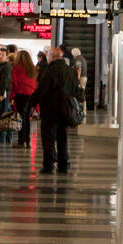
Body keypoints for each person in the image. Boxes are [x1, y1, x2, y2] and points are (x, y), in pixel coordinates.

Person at [35, 44, 78, 173]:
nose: (46, 58)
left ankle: (48, 165)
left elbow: (41, 90)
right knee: (62, 136)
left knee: (48, 138)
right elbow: (76, 90)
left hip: (49, 110)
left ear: (53, 57)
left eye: (47, 55)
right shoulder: (70, 71)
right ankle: (63, 164)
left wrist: (31, 103)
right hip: (65, 110)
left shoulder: (49, 71)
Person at [10, 50, 38, 148]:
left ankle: (21, 141)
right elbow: (35, 84)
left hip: (20, 95)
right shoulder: (33, 69)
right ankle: (28, 141)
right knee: (26, 118)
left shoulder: (16, 68)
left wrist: (12, 97)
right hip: (31, 96)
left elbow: (14, 83)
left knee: (21, 119)